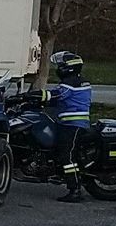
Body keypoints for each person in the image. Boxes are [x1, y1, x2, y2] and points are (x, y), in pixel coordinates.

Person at [30, 51, 92, 202]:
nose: (58, 69)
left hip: (73, 125)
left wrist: (30, 95)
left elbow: (55, 95)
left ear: (68, 68)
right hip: (69, 124)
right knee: (61, 152)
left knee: (67, 155)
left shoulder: (70, 84)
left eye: (60, 66)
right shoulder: (79, 81)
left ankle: (75, 190)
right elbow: (59, 100)